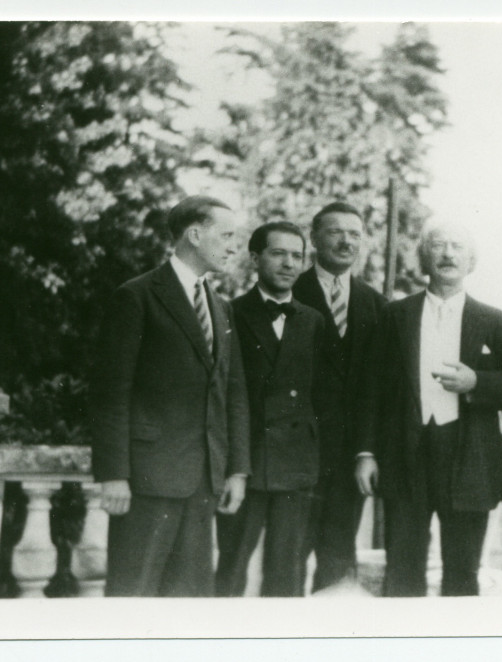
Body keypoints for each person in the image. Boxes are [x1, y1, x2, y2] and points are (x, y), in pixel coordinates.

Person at [89, 195, 250, 597]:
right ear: (194, 235)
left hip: (203, 483)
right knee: (133, 594)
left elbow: (233, 393)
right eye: (227, 235)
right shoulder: (137, 296)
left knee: (190, 602)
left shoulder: (221, 307)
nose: (234, 246)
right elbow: (111, 393)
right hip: (145, 481)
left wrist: (236, 470)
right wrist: (113, 474)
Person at [356, 223, 502, 597]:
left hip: (469, 458)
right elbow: (372, 390)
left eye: (457, 247)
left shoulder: (493, 320)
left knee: (463, 572)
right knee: (401, 568)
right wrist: (367, 453)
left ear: (471, 261)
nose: (448, 253)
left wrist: (477, 383)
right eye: (438, 245)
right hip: (405, 452)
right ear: (424, 258)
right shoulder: (395, 315)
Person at [215, 222, 327, 597]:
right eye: (278, 253)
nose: (289, 264)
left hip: (296, 464)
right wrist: (235, 466)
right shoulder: (229, 314)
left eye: (297, 256)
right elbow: (225, 396)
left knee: (288, 571)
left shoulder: (312, 321)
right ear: (255, 258)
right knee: (231, 568)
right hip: (247, 461)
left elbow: (324, 398)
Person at [292, 202, 386, 592]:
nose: (346, 241)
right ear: (313, 238)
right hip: (296, 453)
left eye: (354, 234)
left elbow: (376, 387)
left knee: (338, 558)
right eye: (335, 232)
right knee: (289, 555)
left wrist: (366, 450)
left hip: (349, 457)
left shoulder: (376, 304)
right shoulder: (288, 291)